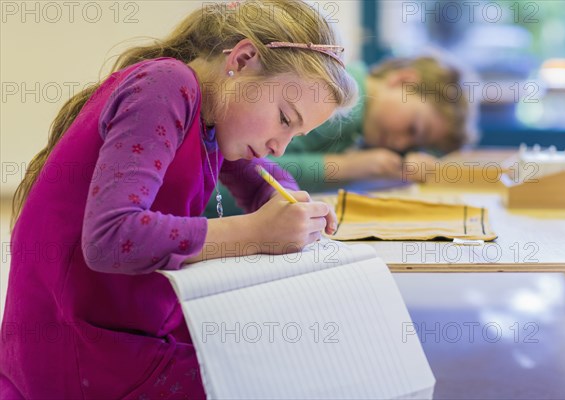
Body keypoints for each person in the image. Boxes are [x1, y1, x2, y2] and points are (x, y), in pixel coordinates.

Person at [0, 0, 358, 398]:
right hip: (75, 351)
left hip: (122, 328)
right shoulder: (166, 84)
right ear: (242, 60)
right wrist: (257, 232)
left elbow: (261, 182)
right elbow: (111, 238)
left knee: (296, 356)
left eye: (296, 135)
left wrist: (290, 198)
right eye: (285, 119)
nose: (280, 145)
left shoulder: (212, 116)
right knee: (292, 376)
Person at [206, 54, 478, 217]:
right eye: (413, 129)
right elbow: (250, 172)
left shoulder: (360, 124)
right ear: (403, 81)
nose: (401, 144)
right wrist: (351, 168)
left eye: (416, 145)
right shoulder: (343, 105)